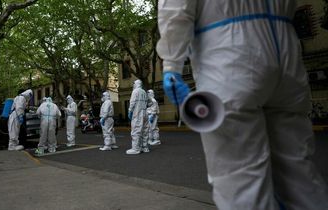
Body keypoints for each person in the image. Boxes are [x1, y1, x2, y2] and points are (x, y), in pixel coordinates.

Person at [157, 1, 328, 209]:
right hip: (285, 50)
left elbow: (177, 9)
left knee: (241, 180)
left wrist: (171, 64)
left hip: (228, 55)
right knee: (298, 173)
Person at [126, 79, 151, 155]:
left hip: (137, 113)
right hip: (145, 113)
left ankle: (136, 149)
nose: (133, 85)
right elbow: (148, 102)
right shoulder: (143, 91)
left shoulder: (135, 91)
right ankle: (145, 147)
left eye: (134, 84)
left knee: (136, 130)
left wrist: (130, 111)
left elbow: (132, 102)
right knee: (144, 131)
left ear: (136, 84)